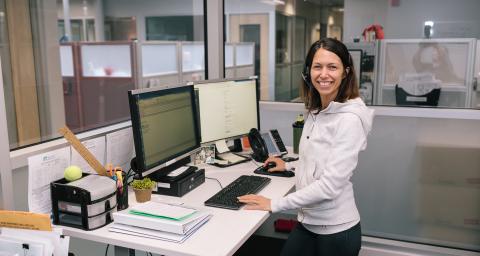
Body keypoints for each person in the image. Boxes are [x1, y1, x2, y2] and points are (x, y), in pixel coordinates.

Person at [238, 38, 374, 256]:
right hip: (309, 222)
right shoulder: (318, 108)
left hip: (335, 231)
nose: (324, 74)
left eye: (333, 67)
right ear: (308, 71)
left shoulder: (349, 119)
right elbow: (317, 160)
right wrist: (290, 167)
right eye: (317, 66)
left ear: (346, 72)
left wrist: (274, 204)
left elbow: (329, 186)